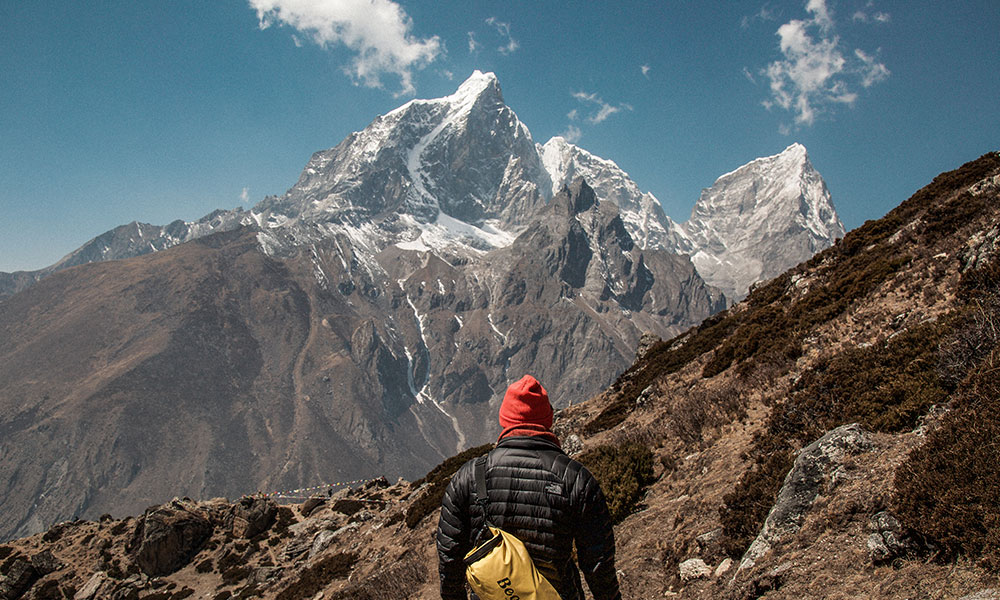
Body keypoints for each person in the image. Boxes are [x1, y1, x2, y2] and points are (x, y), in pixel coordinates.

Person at [436, 374, 621, 600]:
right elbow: (598, 564)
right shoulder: (576, 479)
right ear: (547, 420)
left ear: (504, 419)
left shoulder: (469, 476)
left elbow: (449, 558)